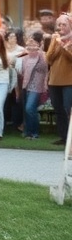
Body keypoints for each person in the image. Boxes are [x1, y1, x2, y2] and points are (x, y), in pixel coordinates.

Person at [45, 13, 72, 145]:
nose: (61, 27)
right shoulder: (55, 38)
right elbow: (48, 58)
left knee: (67, 108)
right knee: (58, 109)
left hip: (69, 81)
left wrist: (65, 47)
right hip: (54, 80)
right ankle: (64, 137)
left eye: (64, 24)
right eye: (59, 24)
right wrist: (57, 45)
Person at [20, 30, 48, 140]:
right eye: (29, 42)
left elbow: (44, 69)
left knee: (29, 108)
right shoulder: (25, 55)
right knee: (28, 109)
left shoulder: (43, 55)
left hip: (37, 85)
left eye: (33, 42)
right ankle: (28, 132)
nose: (31, 44)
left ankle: (35, 132)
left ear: (39, 43)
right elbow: (21, 69)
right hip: (26, 85)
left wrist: (40, 50)